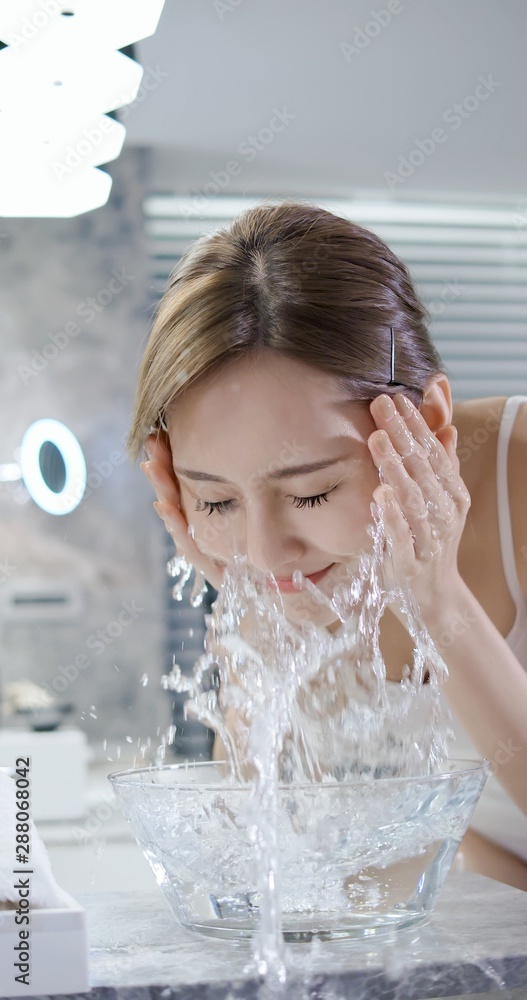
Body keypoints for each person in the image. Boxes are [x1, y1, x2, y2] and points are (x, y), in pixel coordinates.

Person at [127, 200, 527, 890]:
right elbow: (264, 855)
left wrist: (436, 599)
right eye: (216, 499)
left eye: (310, 494)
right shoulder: (271, 570)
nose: (267, 551)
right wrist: (248, 617)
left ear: (427, 426)